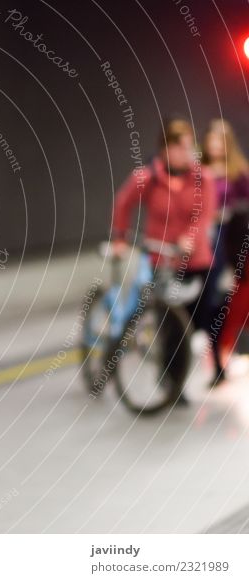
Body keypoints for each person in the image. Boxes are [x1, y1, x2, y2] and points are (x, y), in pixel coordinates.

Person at [111, 116, 216, 396]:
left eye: (187, 147)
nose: (184, 153)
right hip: (163, 260)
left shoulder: (201, 178)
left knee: (196, 323)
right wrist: (120, 238)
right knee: (169, 327)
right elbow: (123, 203)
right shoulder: (149, 177)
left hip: (196, 261)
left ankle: (195, 369)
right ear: (164, 149)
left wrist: (190, 238)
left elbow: (204, 213)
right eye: (177, 147)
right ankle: (172, 382)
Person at [202, 118, 249, 384]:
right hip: (204, 241)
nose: (216, 144)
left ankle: (225, 355)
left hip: (231, 242)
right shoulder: (198, 172)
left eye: (221, 139)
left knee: (226, 300)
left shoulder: (238, 172)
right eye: (212, 138)